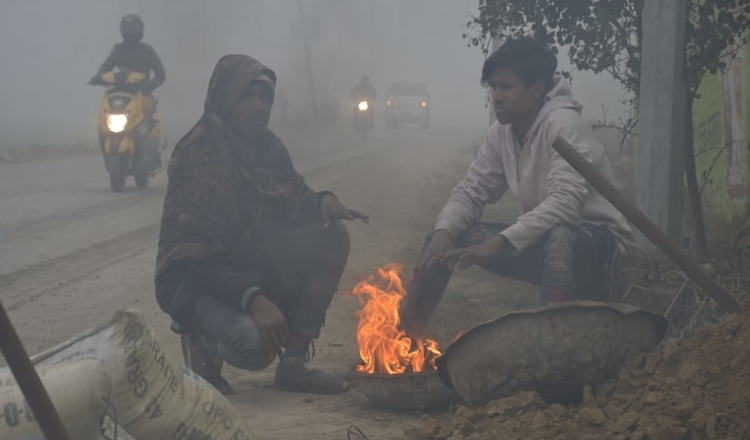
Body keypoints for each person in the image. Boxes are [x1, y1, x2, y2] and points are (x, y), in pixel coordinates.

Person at [154, 54, 368, 395]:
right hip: (196, 282)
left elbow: (295, 194)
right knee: (255, 347)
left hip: (248, 264)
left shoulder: (268, 146)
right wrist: (255, 300)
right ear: (224, 98)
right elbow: (193, 261)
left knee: (331, 235)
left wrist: (321, 201)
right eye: (246, 96)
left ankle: (295, 364)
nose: (258, 106)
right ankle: (201, 344)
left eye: (264, 97)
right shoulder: (199, 155)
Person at [400, 38, 635, 335]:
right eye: (493, 87)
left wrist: (497, 244)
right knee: (445, 238)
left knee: (560, 239)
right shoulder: (502, 132)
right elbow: (471, 191)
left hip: (599, 250)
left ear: (536, 89)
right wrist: (443, 232)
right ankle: (401, 342)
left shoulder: (564, 124)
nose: (497, 96)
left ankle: (553, 349)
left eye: (507, 87)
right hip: (545, 241)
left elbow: (565, 204)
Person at [92, 14, 166, 164]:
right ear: (122, 30)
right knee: (102, 121)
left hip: (141, 93)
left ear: (140, 29)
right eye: (127, 28)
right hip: (119, 93)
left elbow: (161, 74)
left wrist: (150, 85)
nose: (130, 31)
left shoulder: (147, 51)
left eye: (133, 27)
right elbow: (107, 65)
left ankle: (150, 152)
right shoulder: (118, 50)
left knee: (148, 116)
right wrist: (98, 76)